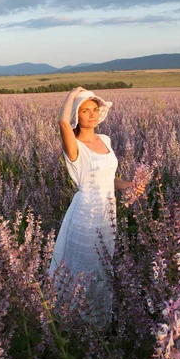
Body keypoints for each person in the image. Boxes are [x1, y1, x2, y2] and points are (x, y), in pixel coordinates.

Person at [49, 87, 142, 326]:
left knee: (103, 267)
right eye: (84, 110)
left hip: (107, 212)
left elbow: (108, 178)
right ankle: (76, 323)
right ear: (76, 116)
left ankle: (100, 322)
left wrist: (129, 185)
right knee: (85, 268)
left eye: (94, 109)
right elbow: (61, 122)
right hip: (86, 213)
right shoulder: (74, 145)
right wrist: (72, 94)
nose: (91, 114)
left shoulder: (106, 140)